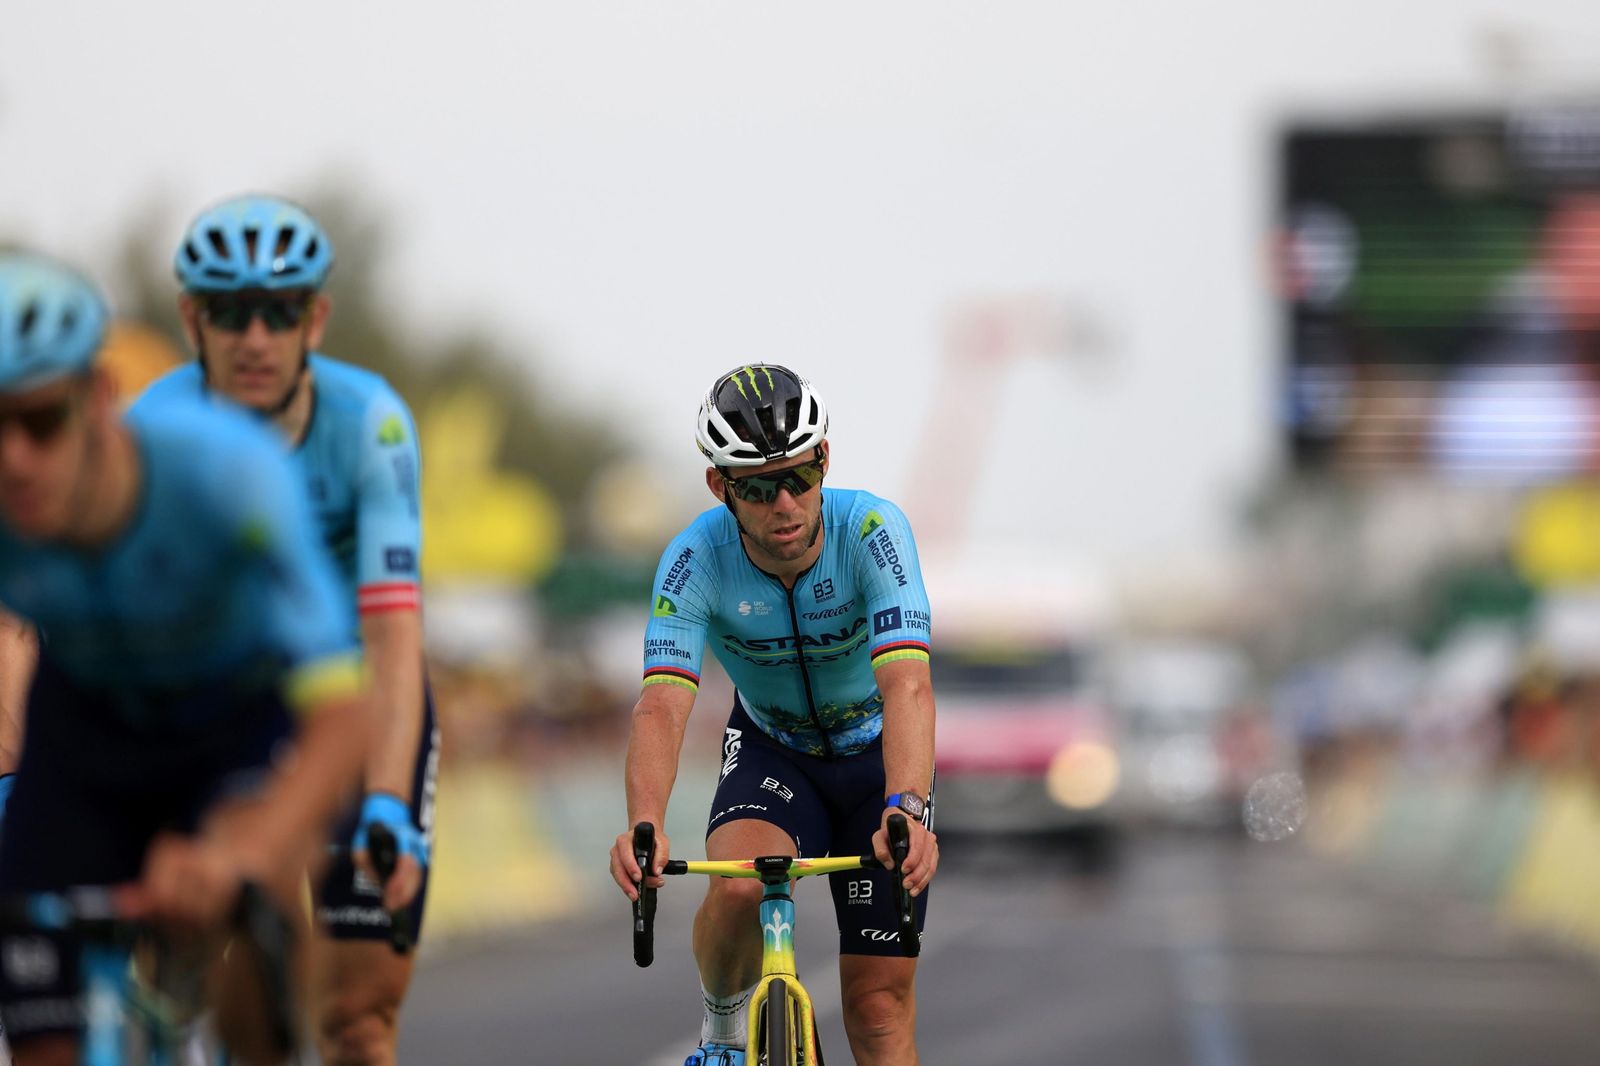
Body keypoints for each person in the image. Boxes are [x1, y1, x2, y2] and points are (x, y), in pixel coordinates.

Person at [0, 251, 374, 1065]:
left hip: (235, 718)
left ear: (96, 400)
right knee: (41, 1036)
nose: (14, 460)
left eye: (38, 421)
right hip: (89, 725)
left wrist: (247, 851)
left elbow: (344, 715)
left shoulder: (223, 475)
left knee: (262, 937)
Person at [134, 193, 437, 1066]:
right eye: (231, 314)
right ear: (193, 318)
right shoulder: (153, 429)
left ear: (318, 317)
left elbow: (391, 638)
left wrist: (386, 795)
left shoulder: (369, 425)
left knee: (357, 1022)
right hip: (228, 702)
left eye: (280, 311)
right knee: (235, 973)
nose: (255, 338)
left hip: (355, 696)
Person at [608, 364, 940, 1066]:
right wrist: (645, 823)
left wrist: (908, 804)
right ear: (720, 486)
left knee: (878, 1012)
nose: (784, 503)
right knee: (734, 888)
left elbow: (908, 685)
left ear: (825, 461)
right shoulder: (694, 557)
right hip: (773, 751)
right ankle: (724, 1031)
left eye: (798, 477)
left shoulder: (874, 532)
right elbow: (663, 702)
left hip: (876, 762)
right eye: (758, 487)